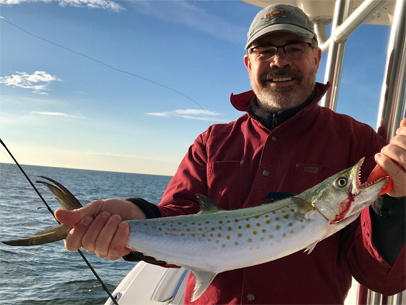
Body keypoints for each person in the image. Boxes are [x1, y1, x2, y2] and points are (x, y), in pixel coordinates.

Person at [55, 3, 406, 305]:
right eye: (264, 51)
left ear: (316, 57)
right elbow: (182, 215)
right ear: (247, 63)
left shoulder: (357, 141)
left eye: (294, 48)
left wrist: (394, 203)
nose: (279, 61)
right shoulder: (212, 140)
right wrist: (136, 216)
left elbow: (383, 280)